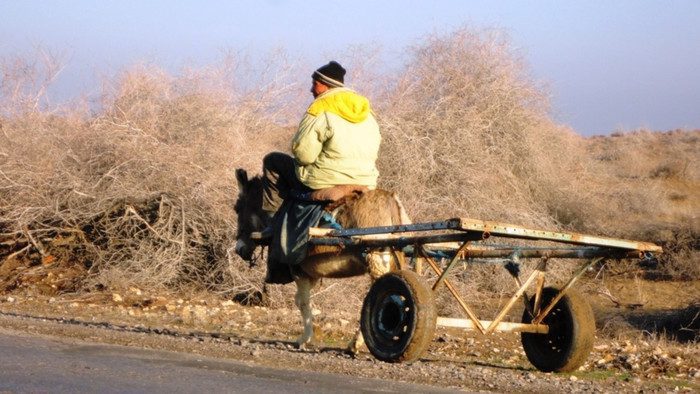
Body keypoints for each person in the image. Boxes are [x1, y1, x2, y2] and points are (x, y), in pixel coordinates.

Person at [261, 61, 381, 220]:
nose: (311, 89)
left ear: (327, 85)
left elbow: (304, 155)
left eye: (315, 84)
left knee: (273, 160)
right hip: (366, 180)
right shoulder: (366, 111)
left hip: (325, 181)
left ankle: (272, 222)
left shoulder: (320, 108)